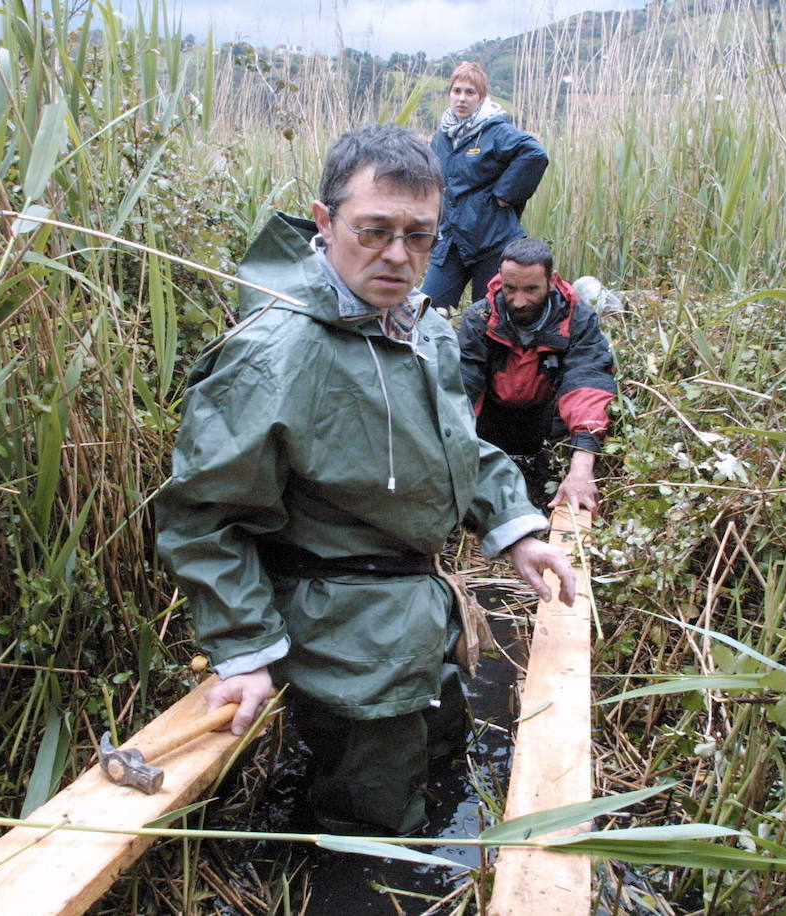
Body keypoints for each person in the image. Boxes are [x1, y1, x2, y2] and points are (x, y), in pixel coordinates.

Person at [156, 124, 575, 836]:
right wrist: (243, 650)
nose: (398, 257)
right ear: (324, 222)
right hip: (342, 632)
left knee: (439, 759)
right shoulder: (275, 353)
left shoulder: (423, 328)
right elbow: (206, 518)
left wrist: (516, 528)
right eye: (375, 231)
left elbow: (456, 447)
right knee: (372, 825)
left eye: (420, 237)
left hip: (423, 610)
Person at [457, 237, 617, 516]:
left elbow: (587, 382)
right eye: (510, 288)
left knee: (584, 416)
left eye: (531, 289)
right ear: (500, 280)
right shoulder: (479, 317)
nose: (519, 301)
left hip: (545, 424)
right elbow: (462, 388)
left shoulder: (578, 319)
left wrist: (582, 467)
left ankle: (558, 484)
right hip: (491, 423)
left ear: (552, 281)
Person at [422, 61, 548, 313]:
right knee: (426, 310)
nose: (462, 98)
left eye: (470, 92)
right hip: (451, 242)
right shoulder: (442, 137)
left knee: (489, 316)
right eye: (457, 91)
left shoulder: (496, 131)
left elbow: (534, 154)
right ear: (449, 94)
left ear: (481, 97)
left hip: (492, 240)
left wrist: (504, 195)